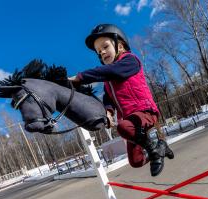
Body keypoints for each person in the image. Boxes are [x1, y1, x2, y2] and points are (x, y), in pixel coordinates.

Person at [69, 24, 174, 176]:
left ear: (120, 45)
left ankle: (154, 151)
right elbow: (108, 98)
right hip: (129, 121)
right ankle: (161, 147)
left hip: (144, 112)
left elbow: (111, 71)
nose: (102, 52)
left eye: (105, 46)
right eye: (99, 51)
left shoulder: (130, 61)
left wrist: (80, 78)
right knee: (136, 161)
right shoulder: (108, 80)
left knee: (123, 127)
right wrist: (109, 112)